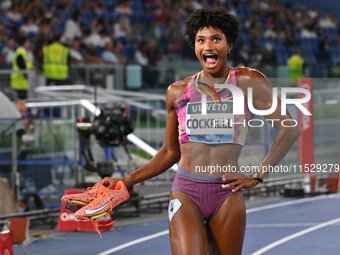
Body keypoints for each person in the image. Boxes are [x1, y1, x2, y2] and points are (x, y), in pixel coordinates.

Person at [99, 8, 300, 255]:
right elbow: (170, 152)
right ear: (195, 47)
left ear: (229, 45)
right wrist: (126, 181)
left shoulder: (248, 81)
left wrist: (259, 174)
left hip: (227, 194)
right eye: (201, 40)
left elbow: (289, 129)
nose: (208, 45)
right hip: (186, 191)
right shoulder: (177, 91)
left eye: (216, 39)